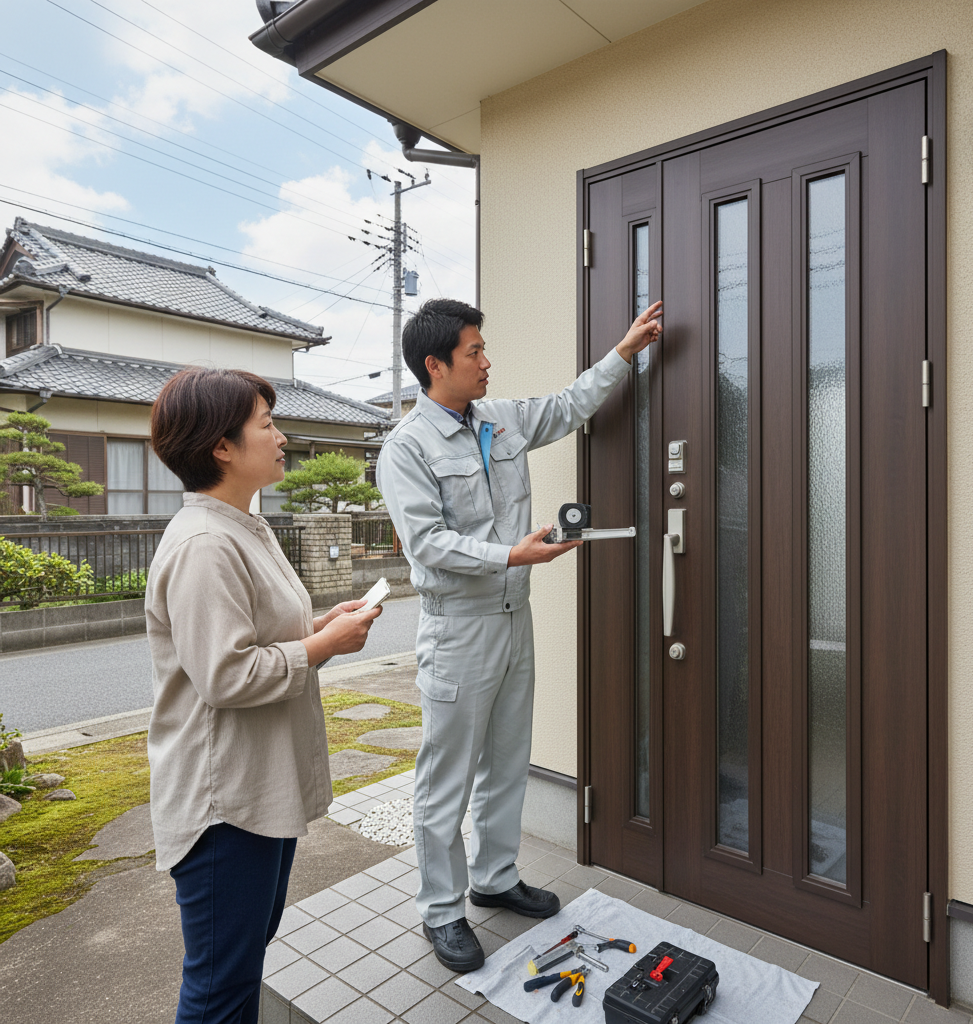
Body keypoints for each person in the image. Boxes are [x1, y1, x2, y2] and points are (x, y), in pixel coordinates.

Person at [376, 297, 663, 971]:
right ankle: (442, 911)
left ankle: (495, 878)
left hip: (514, 618)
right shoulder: (406, 449)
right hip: (459, 629)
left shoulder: (499, 420)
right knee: (445, 776)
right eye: (474, 351)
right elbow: (427, 544)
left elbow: (567, 405)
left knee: (508, 759)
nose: (486, 362)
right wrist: (512, 554)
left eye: (482, 349)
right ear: (434, 364)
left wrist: (625, 352)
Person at [145, 367, 382, 1024]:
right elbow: (224, 675)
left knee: (241, 962)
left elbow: (255, 638)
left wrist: (318, 627)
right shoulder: (203, 544)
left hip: (256, 787)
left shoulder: (241, 527)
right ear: (222, 446)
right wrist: (322, 647)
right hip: (224, 805)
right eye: (267, 424)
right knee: (219, 987)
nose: (281, 437)